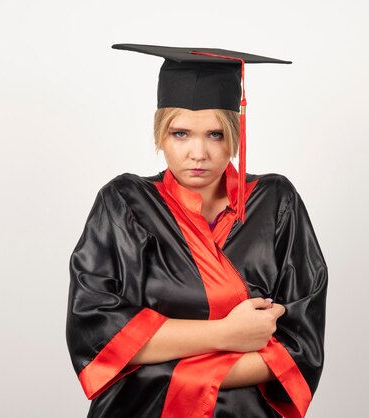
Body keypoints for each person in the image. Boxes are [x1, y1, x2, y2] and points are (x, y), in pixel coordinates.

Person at [65, 44, 328, 418]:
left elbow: (299, 348)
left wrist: (157, 358)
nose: (198, 153)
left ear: (235, 133)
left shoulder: (276, 204)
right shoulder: (124, 203)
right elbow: (95, 331)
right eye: (181, 133)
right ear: (160, 134)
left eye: (215, 134)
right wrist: (229, 335)